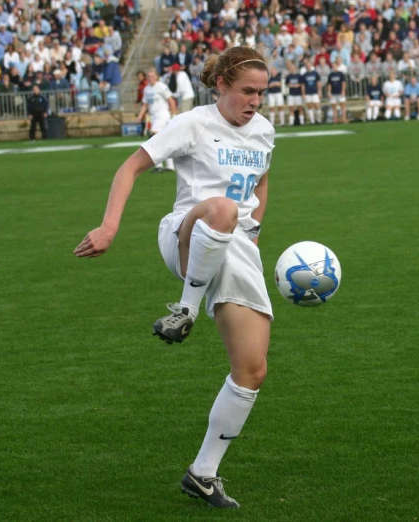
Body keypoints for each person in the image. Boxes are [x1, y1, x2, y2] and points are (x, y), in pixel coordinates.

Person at [74, 45, 275, 510]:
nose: (255, 102)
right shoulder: (194, 123)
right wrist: (109, 227)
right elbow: (131, 167)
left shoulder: (264, 130)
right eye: (247, 91)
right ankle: (184, 309)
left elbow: (262, 181)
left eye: (262, 93)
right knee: (222, 209)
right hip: (186, 235)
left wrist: (257, 231)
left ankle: (203, 473)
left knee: (252, 370)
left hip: (236, 247)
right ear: (221, 84)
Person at [137, 68, 177, 171]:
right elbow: (145, 104)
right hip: (154, 117)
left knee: (153, 135)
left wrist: (174, 114)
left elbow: (170, 100)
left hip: (163, 115)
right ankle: (169, 165)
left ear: (156, 77)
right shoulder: (146, 89)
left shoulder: (162, 87)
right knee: (164, 140)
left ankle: (158, 165)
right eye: (148, 77)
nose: (150, 78)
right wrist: (140, 115)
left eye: (152, 76)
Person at [301, 58, 322, 124]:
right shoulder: (304, 75)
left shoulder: (315, 73)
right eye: (307, 65)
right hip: (307, 92)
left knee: (317, 105)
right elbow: (303, 85)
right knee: (309, 106)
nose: (308, 66)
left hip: (314, 91)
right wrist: (303, 93)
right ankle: (312, 121)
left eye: (309, 65)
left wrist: (319, 91)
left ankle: (318, 120)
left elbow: (318, 83)